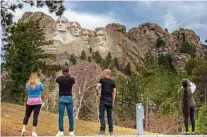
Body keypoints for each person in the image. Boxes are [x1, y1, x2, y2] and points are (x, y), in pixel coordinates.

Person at [56, 66, 75, 136]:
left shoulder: (60, 79)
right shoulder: (71, 79)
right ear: (68, 71)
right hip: (69, 98)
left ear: (62, 72)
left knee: (61, 115)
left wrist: (62, 75)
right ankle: (71, 131)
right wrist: (69, 75)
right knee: (70, 116)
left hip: (62, 98)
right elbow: (73, 80)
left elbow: (57, 79)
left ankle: (61, 131)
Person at [96, 69, 116, 136]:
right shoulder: (113, 82)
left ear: (105, 73)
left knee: (101, 115)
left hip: (103, 100)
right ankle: (111, 132)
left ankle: (102, 131)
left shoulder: (101, 80)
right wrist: (113, 101)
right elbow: (114, 93)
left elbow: (97, 87)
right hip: (110, 100)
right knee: (109, 116)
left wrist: (97, 94)